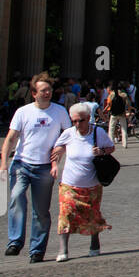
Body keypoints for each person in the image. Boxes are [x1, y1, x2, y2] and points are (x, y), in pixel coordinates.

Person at [0, 73, 72, 262]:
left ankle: (37, 250)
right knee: (16, 197)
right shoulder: (23, 112)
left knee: (41, 211)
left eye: (49, 90)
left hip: (45, 167)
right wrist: (3, 164)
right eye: (43, 90)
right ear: (34, 93)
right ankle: (15, 241)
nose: (48, 93)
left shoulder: (59, 112)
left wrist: (59, 154)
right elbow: (11, 138)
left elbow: (68, 136)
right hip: (21, 163)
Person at [50, 103, 115, 260]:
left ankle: (94, 242)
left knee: (92, 215)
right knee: (65, 215)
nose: (78, 124)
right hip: (69, 185)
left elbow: (111, 147)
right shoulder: (69, 133)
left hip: (92, 185)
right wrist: (55, 165)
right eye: (74, 121)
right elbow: (57, 149)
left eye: (81, 120)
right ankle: (63, 250)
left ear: (88, 119)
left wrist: (101, 151)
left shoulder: (97, 132)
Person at [105, 82, 129, 149]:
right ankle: (125, 143)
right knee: (124, 128)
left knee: (111, 128)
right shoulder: (124, 95)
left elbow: (109, 105)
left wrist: (104, 110)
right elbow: (127, 104)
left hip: (114, 114)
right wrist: (129, 111)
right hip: (122, 113)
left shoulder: (111, 95)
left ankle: (111, 143)